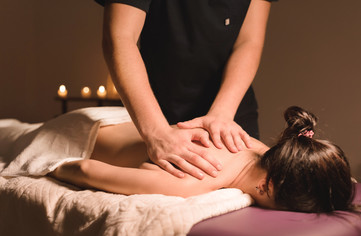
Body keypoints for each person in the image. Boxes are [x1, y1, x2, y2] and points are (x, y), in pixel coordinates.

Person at [94, 0, 277, 180]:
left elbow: (249, 42)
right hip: (156, 112)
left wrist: (222, 113)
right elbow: (120, 37)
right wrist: (157, 132)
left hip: (229, 116)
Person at [49, 106, 356, 213]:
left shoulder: (258, 147)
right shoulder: (193, 179)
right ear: (267, 187)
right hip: (76, 132)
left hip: (119, 118)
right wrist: (49, 167)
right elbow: (83, 168)